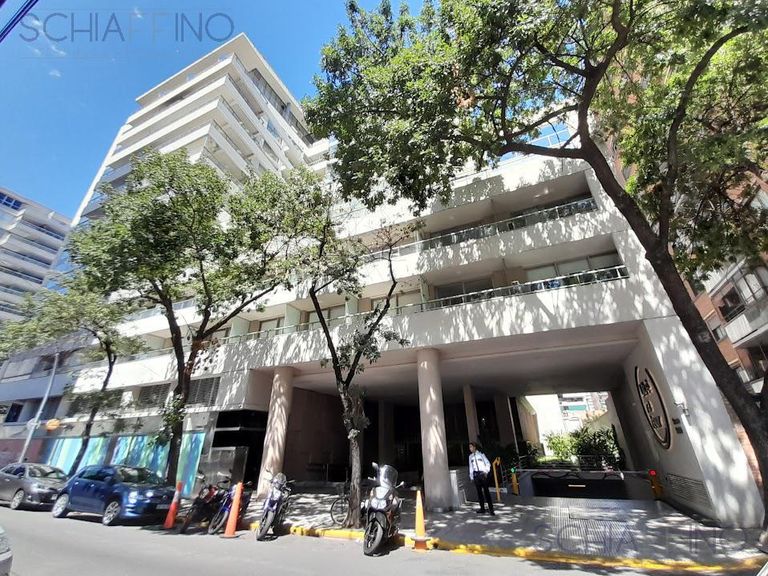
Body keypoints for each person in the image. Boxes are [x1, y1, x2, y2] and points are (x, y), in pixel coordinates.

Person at [468, 442, 494, 515]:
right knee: (479, 493)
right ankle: (482, 508)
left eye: (471, 447)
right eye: (469, 447)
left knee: (486, 492)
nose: (470, 448)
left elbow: (488, 463)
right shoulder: (470, 457)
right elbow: (471, 467)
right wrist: (471, 477)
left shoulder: (481, 454)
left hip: (482, 474)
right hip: (476, 475)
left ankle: (491, 509)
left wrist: (486, 471)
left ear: (474, 447)